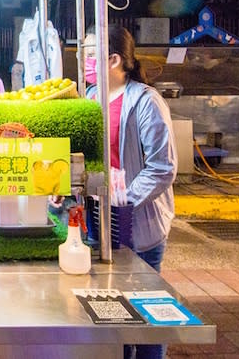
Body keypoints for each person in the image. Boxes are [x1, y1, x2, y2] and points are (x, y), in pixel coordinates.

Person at [84, 25, 177, 359]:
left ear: (113, 59)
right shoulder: (91, 97)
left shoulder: (146, 101)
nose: (83, 59)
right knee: (113, 305)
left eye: (89, 52)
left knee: (146, 311)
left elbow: (163, 167)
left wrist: (124, 200)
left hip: (137, 221)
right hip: (100, 220)